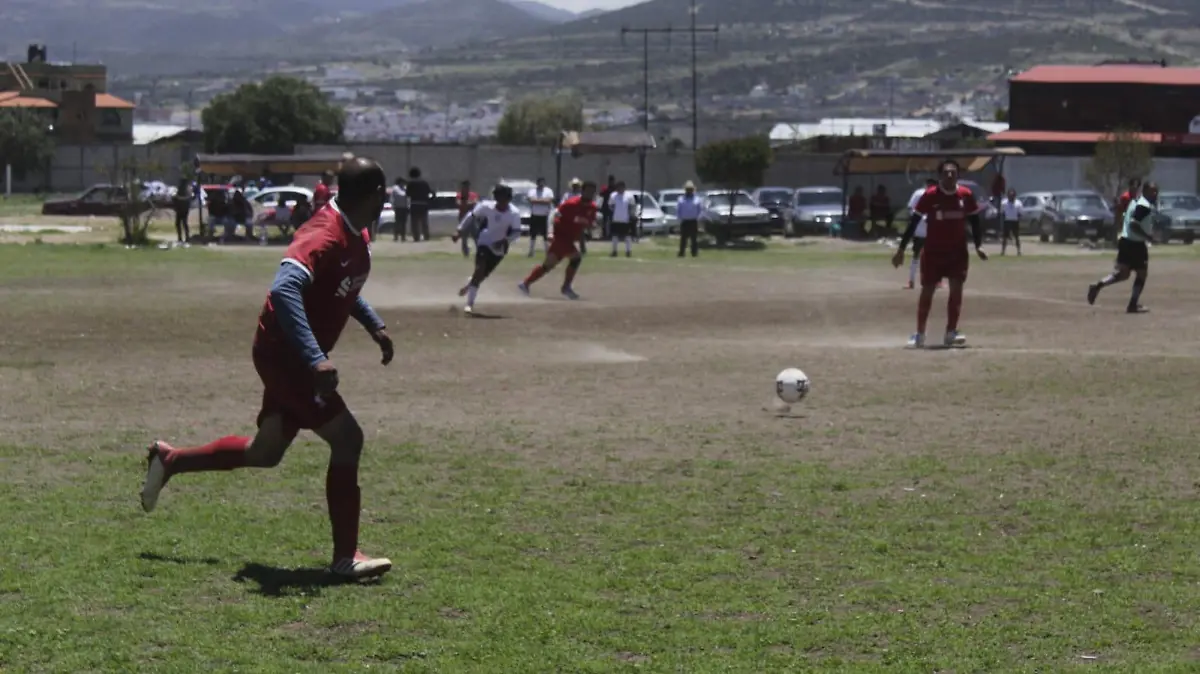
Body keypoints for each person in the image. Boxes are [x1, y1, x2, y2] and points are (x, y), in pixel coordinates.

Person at [138, 157, 396, 580]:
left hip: (293, 355)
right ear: (374, 195)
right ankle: (345, 557)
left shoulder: (356, 232)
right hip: (287, 356)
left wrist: (374, 325)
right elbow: (284, 289)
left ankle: (170, 460)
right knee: (348, 439)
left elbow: (340, 285)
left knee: (266, 452)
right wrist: (314, 357)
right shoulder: (324, 233)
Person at [891, 159, 988, 348]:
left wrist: (978, 245)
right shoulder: (930, 196)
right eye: (946, 172)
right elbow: (913, 222)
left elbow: (975, 221)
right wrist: (901, 249)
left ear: (958, 175)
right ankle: (919, 334)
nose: (950, 175)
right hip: (934, 252)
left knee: (956, 289)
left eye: (953, 172)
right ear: (940, 176)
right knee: (927, 290)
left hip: (957, 252)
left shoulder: (965, 195)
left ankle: (951, 332)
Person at [518, 180, 597, 300]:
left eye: (592, 191)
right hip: (560, 236)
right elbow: (553, 215)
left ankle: (525, 284)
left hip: (570, 239)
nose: (590, 193)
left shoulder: (592, 207)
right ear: (582, 191)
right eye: (588, 191)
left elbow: (588, 223)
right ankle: (566, 287)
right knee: (576, 258)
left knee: (548, 265)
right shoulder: (571, 204)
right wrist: (550, 232)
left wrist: (590, 229)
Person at [1088, 181, 1157, 313]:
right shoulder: (1144, 205)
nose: (1155, 194)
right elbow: (1134, 224)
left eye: (1156, 191)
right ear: (1145, 191)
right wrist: (1148, 236)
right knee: (1142, 273)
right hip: (1136, 244)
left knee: (1123, 274)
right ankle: (1132, 305)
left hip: (1126, 241)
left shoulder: (1135, 201)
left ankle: (1098, 285)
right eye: (1152, 191)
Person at [452, 184, 522, 314]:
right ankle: (469, 304)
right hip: (485, 241)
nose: (501, 202)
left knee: (481, 276)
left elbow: (517, 232)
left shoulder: (514, 213)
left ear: (508, 199)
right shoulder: (486, 206)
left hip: (500, 248)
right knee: (480, 269)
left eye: (504, 198)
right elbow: (470, 216)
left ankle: (469, 285)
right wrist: (459, 231)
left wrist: (505, 241)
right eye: (498, 198)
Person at [903, 178, 938, 289]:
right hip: (920, 230)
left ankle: (935, 280)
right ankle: (911, 280)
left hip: (932, 230)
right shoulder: (919, 194)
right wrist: (921, 217)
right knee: (916, 255)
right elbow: (911, 208)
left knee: (934, 256)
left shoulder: (937, 195)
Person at [526, 177, 555, 257]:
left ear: (544, 183)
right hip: (534, 214)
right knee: (533, 234)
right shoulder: (532, 191)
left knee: (545, 234)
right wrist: (543, 200)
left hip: (545, 215)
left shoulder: (548, 191)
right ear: (537, 183)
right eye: (539, 182)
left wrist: (537, 200)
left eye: (542, 182)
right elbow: (531, 200)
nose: (541, 184)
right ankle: (531, 251)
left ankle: (547, 251)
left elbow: (549, 201)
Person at [676, 180, 703, 258]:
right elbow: (678, 210)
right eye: (688, 189)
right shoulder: (681, 199)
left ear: (693, 190)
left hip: (693, 221)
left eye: (690, 189)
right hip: (685, 221)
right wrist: (679, 219)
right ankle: (682, 252)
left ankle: (694, 252)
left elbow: (700, 210)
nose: (689, 191)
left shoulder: (697, 199)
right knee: (683, 238)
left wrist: (699, 219)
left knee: (694, 238)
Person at [406, 168, 433, 242]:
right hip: (424, 204)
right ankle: (426, 236)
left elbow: (407, 194)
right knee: (424, 221)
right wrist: (429, 200)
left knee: (415, 222)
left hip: (414, 203)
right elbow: (430, 192)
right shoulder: (424, 182)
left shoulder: (410, 183)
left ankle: (416, 237)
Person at [609, 181, 633, 258]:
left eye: (621, 187)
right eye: (618, 187)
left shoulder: (629, 196)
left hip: (625, 219)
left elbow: (631, 206)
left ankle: (628, 251)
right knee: (615, 236)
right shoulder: (613, 195)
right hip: (616, 219)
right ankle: (614, 251)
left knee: (627, 236)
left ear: (624, 187)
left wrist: (630, 215)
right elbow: (611, 206)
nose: (620, 188)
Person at [1113, 178, 1141, 245]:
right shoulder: (1125, 197)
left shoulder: (1138, 197)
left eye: (1137, 187)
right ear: (1130, 186)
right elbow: (1121, 210)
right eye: (1134, 186)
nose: (1135, 189)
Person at [456, 180, 479, 257]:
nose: (465, 188)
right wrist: (468, 204)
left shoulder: (473, 195)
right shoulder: (459, 195)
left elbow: (475, 203)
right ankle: (465, 253)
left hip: (472, 218)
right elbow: (459, 204)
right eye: (464, 186)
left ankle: (479, 251)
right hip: (462, 218)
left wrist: (465, 204)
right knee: (464, 237)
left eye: (467, 186)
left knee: (476, 236)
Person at [1000, 188, 1022, 256]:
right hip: (1007, 221)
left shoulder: (1018, 203)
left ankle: (1019, 251)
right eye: (1010, 195)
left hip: (1015, 221)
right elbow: (1002, 213)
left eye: (1012, 195)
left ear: (1014, 196)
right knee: (1005, 237)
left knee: (1017, 237)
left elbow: (1020, 213)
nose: (1011, 197)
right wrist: (1004, 221)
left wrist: (1018, 220)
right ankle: (1003, 251)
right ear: (1008, 195)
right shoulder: (1004, 203)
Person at [172, 178, 192, 246]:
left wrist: (176, 199)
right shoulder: (187, 190)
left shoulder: (183, 190)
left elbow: (177, 198)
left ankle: (181, 238)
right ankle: (186, 238)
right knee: (183, 223)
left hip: (181, 209)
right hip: (184, 209)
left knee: (179, 223)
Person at [390, 178, 409, 242]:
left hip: (404, 207)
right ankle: (396, 236)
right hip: (398, 207)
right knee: (397, 222)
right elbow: (400, 195)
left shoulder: (405, 188)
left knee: (403, 223)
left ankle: (403, 236)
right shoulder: (395, 188)